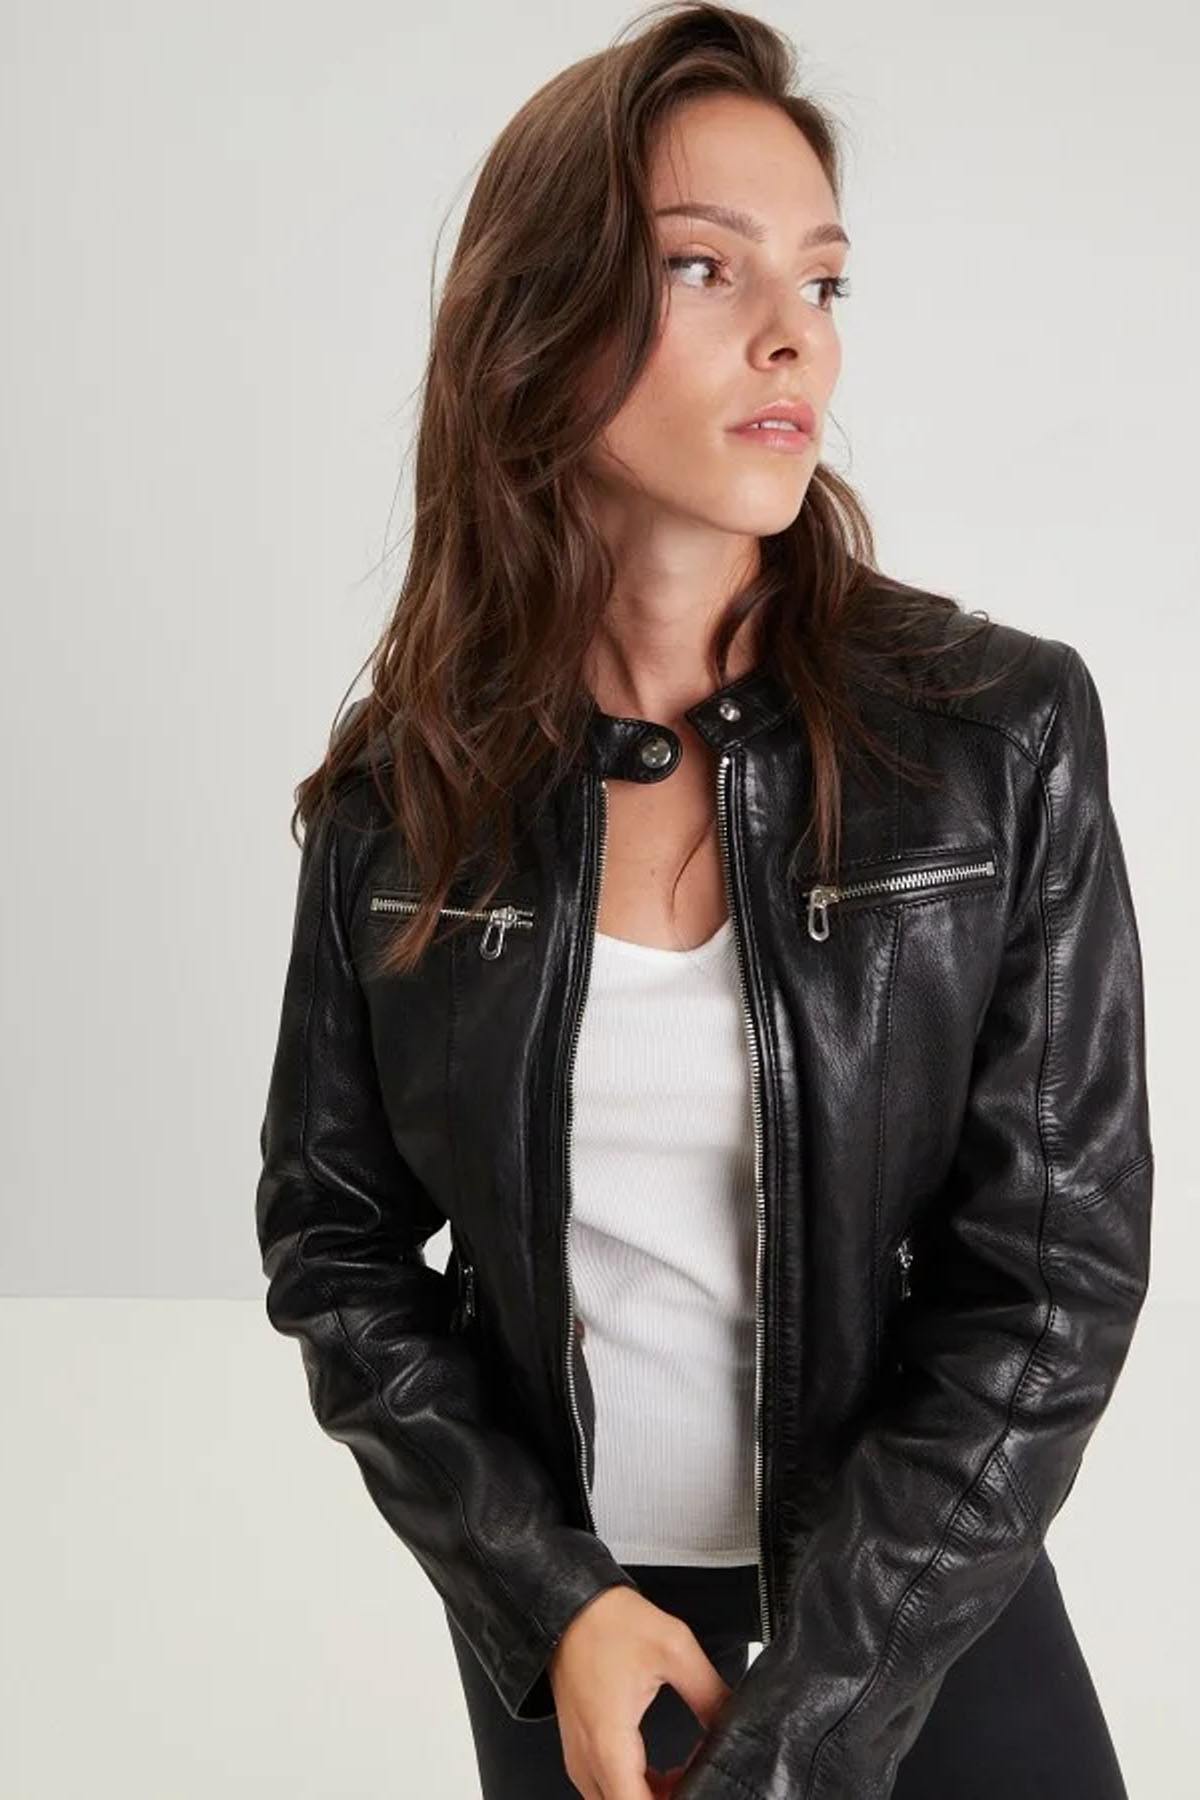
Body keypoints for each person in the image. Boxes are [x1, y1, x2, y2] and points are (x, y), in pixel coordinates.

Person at [254, 5, 1153, 1797]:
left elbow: (1053, 1279)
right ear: (538, 326)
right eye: (700, 266)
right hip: (591, 1649)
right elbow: (336, 1251)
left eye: (821, 278)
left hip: (922, 1607)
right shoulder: (399, 799)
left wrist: (811, 1724)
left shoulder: (995, 737)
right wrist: (549, 1603)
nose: (791, 331)